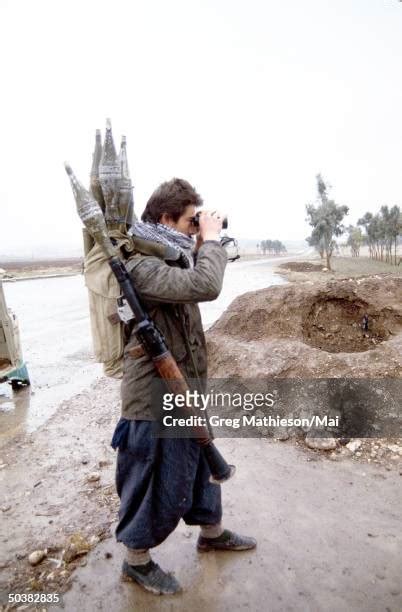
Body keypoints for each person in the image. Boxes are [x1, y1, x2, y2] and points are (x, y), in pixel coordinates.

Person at [111, 178, 256, 595]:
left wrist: (203, 241)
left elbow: (196, 273)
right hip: (153, 398)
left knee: (201, 469)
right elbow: (205, 286)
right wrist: (210, 242)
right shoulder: (139, 264)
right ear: (164, 219)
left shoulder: (173, 255)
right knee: (151, 476)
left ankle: (212, 533)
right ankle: (136, 561)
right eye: (191, 221)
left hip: (186, 387)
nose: (197, 228)